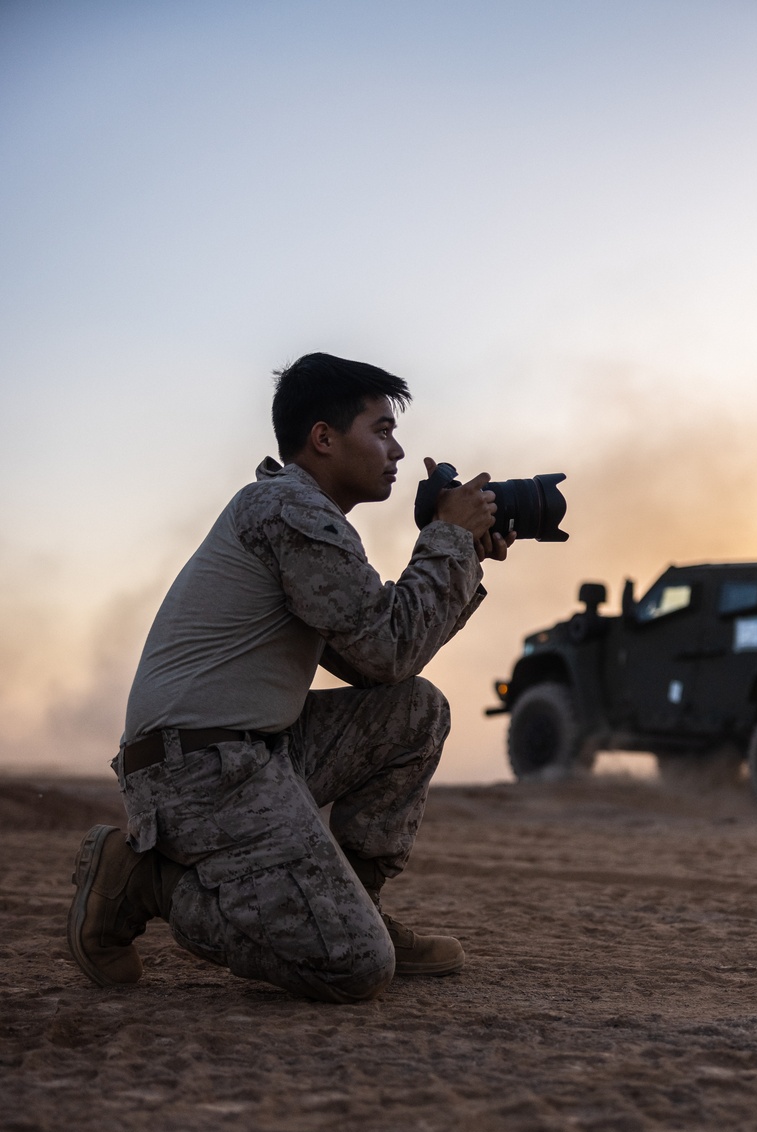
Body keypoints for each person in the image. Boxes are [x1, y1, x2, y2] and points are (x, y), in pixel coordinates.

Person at [67, 352, 514, 1003]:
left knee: (414, 709)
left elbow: (373, 664)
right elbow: (387, 647)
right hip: (197, 768)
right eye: (382, 429)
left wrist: (463, 552)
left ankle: (352, 899)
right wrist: (447, 538)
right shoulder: (288, 511)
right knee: (356, 963)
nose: (398, 448)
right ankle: (143, 882)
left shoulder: (301, 516)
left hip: (250, 751)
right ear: (324, 438)